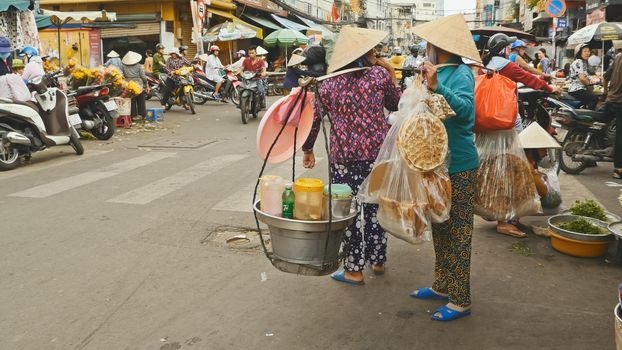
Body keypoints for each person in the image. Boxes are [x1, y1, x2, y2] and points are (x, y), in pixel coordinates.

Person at [302, 26, 399, 286]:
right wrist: (388, 72)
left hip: (344, 158)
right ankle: (378, 259)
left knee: (349, 211)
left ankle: (354, 269)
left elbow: (314, 121)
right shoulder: (379, 75)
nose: (375, 54)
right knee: (376, 205)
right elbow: (396, 105)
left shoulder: (328, 82)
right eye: (372, 51)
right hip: (377, 154)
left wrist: (308, 148)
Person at [409, 14, 479, 322]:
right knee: (441, 226)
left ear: (440, 46)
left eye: (429, 43)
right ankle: (441, 284)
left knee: (460, 232)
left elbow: (465, 114)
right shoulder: (436, 71)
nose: (425, 47)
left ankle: (461, 299)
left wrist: (438, 87)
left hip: (460, 164)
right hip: (435, 164)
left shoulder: (461, 73)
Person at [483, 33, 558, 238]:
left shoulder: (487, 65)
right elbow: (530, 79)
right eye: (509, 47)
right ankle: (506, 220)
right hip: (506, 125)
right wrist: (550, 88)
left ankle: (500, 214)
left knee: (498, 169)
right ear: (504, 49)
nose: (512, 51)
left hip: (489, 126)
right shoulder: (507, 66)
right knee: (514, 169)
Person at [604, 40, 622, 179]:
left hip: (610, 100)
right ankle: (618, 168)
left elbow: (605, 76)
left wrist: (606, 92)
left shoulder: (617, 58)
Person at [569, 43, 599, 110]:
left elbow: (589, 74)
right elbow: (582, 78)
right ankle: (588, 116)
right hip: (576, 89)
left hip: (582, 89)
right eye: (585, 51)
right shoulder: (578, 62)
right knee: (594, 98)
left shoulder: (584, 63)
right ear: (579, 53)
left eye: (588, 51)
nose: (587, 53)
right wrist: (590, 83)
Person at [121, 51, 148, 120]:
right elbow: (143, 77)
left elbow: (122, 76)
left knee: (131, 100)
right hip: (139, 84)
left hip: (128, 84)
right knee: (141, 100)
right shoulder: (139, 66)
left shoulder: (123, 66)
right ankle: (142, 115)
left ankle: (133, 116)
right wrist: (145, 84)